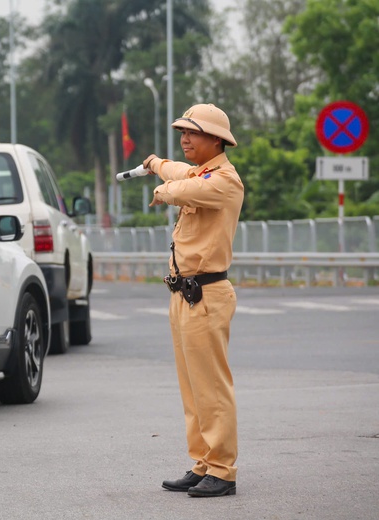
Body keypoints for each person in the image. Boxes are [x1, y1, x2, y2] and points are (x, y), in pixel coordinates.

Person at [143, 103, 244, 497]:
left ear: (216, 140)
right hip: (183, 293)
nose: (184, 138)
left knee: (212, 388)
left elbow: (181, 188)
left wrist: (160, 188)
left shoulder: (224, 181)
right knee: (192, 389)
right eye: (182, 132)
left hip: (207, 294)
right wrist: (156, 164)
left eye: (192, 132)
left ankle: (222, 470)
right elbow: (177, 172)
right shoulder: (199, 172)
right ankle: (202, 462)